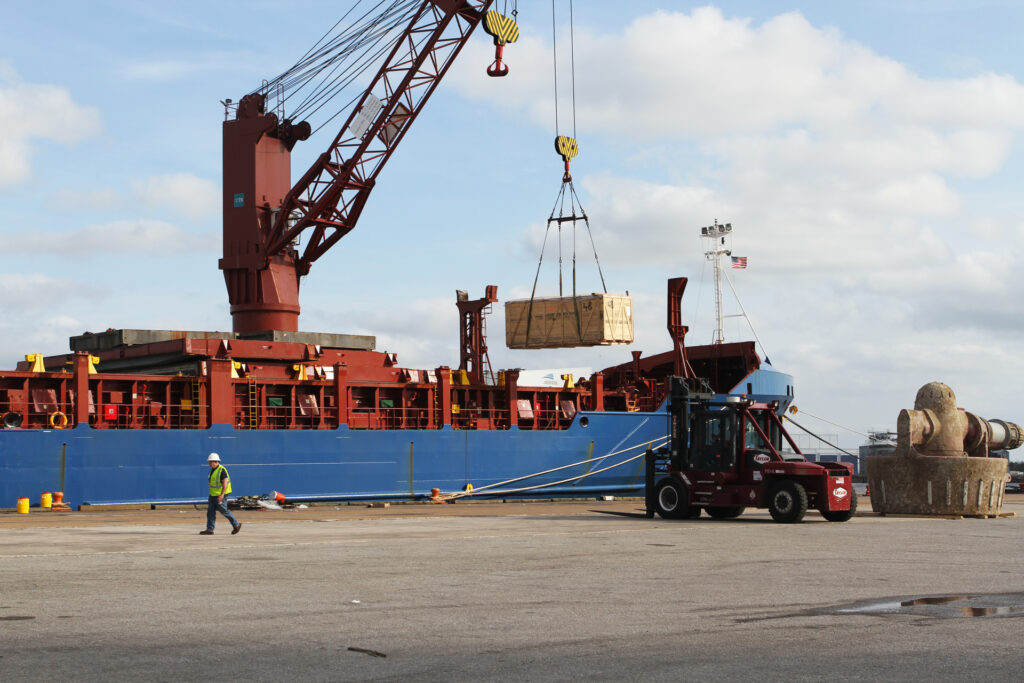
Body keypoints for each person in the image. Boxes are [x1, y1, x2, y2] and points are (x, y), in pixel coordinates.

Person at [200, 452, 241, 535]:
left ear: (216, 461)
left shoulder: (221, 470)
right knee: (210, 512)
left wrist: (222, 495)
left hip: (220, 495)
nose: (209, 463)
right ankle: (210, 529)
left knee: (224, 510)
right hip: (213, 495)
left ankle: (236, 525)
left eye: (210, 462)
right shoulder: (212, 470)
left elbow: (225, 483)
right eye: (209, 462)